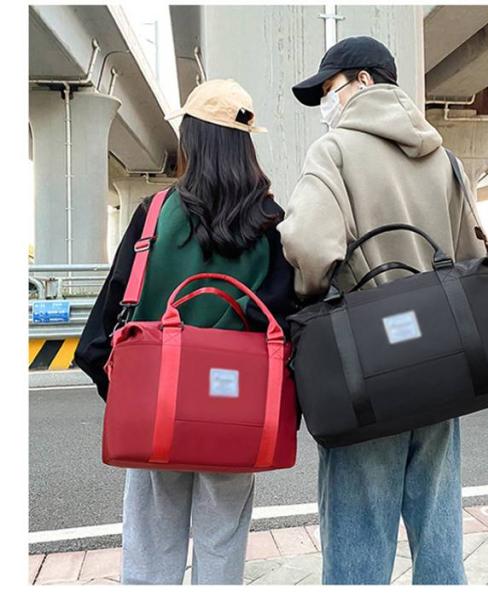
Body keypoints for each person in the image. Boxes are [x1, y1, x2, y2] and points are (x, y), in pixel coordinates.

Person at [278, 36, 487, 585]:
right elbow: (474, 258)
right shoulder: (443, 158)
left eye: (330, 88)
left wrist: (309, 292)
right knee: (439, 528)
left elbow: (310, 245)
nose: (326, 102)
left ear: (364, 81)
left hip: (368, 363)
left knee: (359, 535)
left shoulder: (335, 150)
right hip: (443, 361)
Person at [74, 79, 297, 585]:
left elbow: (112, 314)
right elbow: (283, 316)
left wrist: (125, 390)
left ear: (191, 138)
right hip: (235, 408)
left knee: (151, 546)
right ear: (245, 144)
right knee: (222, 542)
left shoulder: (155, 213)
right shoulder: (268, 223)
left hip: (158, 400)